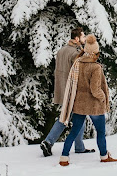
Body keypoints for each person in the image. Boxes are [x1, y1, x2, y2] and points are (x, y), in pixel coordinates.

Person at [58, 34, 117, 166]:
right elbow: (95, 89)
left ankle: (64, 157)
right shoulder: (95, 67)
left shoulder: (78, 63)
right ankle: (104, 156)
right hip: (94, 105)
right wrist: (103, 97)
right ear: (95, 52)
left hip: (79, 104)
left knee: (74, 131)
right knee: (101, 132)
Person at [40, 27, 95, 157]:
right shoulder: (75, 53)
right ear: (77, 38)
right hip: (73, 91)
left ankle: (77, 146)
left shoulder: (62, 51)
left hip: (63, 89)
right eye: (83, 36)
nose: (85, 38)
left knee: (73, 116)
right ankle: (49, 142)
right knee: (71, 117)